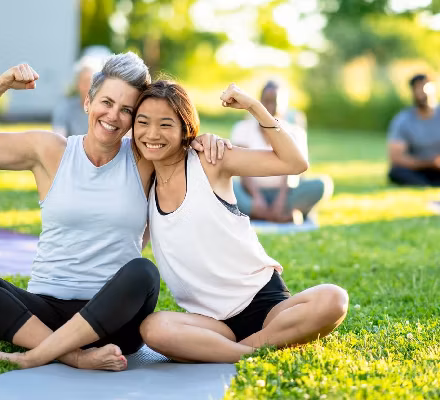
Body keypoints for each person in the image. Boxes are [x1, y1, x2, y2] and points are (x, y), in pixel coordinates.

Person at [0, 53, 228, 371]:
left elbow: (181, 136)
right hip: (45, 312)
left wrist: (207, 140)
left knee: (143, 273)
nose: (113, 116)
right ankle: (73, 355)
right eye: (106, 102)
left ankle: (40, 352)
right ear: (87, 103)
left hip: (115, 321)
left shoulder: (145, 157)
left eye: (127, 110)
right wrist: (0, 86)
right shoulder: (50, 151)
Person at [133, 80, 349, 363]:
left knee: (334, 299)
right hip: (212, 325)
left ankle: (240, 351)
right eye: (143, 122)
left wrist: (254, 106)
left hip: (266, 304)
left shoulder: (209, 161)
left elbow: (295, 163)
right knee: (153, 328)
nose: (152, 134)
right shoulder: (141, 185)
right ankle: (256, 350)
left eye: (165, 124)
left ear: (186, 128)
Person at [231, 81, 332, 223]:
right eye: (266, 100)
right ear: (259, 102)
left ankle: (262, 214)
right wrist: (257, 197)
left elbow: (296, 170)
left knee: (322, 185)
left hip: (285, 194)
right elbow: (241, 168)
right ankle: (278, 215)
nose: (271, 105)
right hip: (251, 194)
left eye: (275, 101)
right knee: (225, 185)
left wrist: (281, 200)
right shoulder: (243, 128)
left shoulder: (295, 132)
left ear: (284, 105)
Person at [388, 74, 440, 186]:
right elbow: (396, 157)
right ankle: (425, 184)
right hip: (417, 168)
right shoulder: (403, 120)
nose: (421, 92)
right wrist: (430, 163)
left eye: (424, 87)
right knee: (396, 171)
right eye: (417, 88)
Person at [52, 56, 104, 137]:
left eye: (91, 82)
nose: (88, 86)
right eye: (85, 82)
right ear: (77, 85)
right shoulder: (65, 108)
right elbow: (58, 138)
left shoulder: (106, 111)